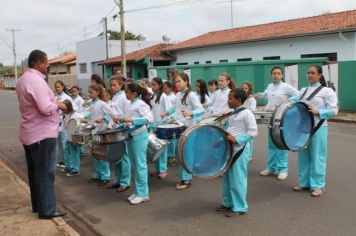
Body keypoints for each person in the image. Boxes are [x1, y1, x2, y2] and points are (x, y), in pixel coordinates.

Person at [16, 49, 66, 219]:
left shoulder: (23, 80)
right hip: (42, 135)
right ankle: (47, 210)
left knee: (35, 172)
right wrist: (59, 105)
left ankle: (39, 206)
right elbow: (45, 108)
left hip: (30, 132)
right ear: (38, 63)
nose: (47, 65)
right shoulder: (36, 81)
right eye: (46, 62)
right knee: (46, 172)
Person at [291, 65, 338, 197]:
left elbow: (334, 110)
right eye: (308, 73)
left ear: (319, 75)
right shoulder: (303, 90)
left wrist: (319, 112)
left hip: (319, 128)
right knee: (303, 156)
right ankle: (304, 182)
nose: (310, 75)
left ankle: (318, 186)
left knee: (318, 156)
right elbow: (296, 103)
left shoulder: (327, 91)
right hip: (304, 128)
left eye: (313, 73)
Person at [217, 88, 257, 217]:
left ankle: (240, 207)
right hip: (230, 150)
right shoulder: (232, 113)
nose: (228, 101)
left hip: (240, 150)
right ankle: (228, 203)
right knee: (227, 179)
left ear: (239, 100)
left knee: (238, 179)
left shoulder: (247, 113)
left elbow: (253, 131)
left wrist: (237, 140)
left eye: (230, 98)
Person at [162, 73, 204, 190]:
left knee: (187, 154)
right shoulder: (178, 94)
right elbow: (176, 109)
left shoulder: (191, 95)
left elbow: (200, 109)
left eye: (179, 81)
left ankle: (186, 179)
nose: (177, 83)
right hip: (180, 126)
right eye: (176, 82)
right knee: (180, 152)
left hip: (189, 127)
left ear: (186, 81)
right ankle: (184, 177)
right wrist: (167, 112)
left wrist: (191, 113)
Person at [256, 66, 299, 180]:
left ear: (282, 75)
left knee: (280, 143)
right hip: (270, 116)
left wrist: (290, 100)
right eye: (274, 73)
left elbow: (299, 94)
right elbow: (266, 93)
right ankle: (271, 168)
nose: (276, 75)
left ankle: (283, 169)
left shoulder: (286, 87)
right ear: (271, 75)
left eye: (278, 73)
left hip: (281, 117)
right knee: (271, 144)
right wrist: (258, 94)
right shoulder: (270, 86)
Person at [119, 82, 153, 205]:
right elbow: (129, 119)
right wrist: (122, 120)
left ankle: (143, 194)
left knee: (140, 166)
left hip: (139, 137)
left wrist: (132, 120)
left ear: (134, 93)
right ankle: (138, 191)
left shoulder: (141, 104)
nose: (125, 93)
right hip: (131, 136)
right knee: (134, 166)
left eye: (127, 91)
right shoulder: (131, 103)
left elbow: (148, 119)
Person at [81, 84, 111, 186]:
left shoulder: (102, 103)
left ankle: (105, 176)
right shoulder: (92, 103)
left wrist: (102, 118)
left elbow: (110, 114)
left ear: (97, 92)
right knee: (94, 154)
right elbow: (92, 114)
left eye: (91, 92)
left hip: (102, 131)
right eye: (89, 92)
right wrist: (85, 117)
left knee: (102, 154)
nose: (89, 94)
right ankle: (96, 175)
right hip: (94, 131)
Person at [108, 77, 131, 193]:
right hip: (113, 129)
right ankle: (117, 180)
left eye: (114, 85)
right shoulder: (114, 97)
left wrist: (120, 120)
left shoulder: (124, 98)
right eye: (111, 85)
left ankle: (125, 182)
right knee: (116, 156)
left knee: (124, 156)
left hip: (121, 129)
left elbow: (128, 114)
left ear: (121, 85)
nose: (112, 87)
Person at [150, 77, 171, 179]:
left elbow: (168, 111)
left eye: (154, 84)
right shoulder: (153, 96)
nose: (152, 86)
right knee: (155, 148)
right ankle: (157, 169)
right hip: (154, 125)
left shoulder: (164, 96)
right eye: (151, 84)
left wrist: (163, 122)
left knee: (162, 148)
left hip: (162, 125)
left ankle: (163, 170)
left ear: (159, 85)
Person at [54, 80, 75, 169]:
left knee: (64, 142)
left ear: (63, 87)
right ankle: (62, 160)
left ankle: (67, 162)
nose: (57, 89)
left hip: (64, 121)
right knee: (59, 142)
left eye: (59, 87)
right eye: (56, 87)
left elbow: (71, 108)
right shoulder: (55, 97)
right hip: (56, 122)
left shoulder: (67, 97)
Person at [62, 100, 83, 176]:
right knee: (67, 150)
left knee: (74, 152)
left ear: (68, 106)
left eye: (63, 106)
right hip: (68, 135)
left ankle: (75, 169)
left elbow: (83, 120)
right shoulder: (65, 114)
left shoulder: (76, 115)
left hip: (74, 136)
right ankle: (68, 166)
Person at [241, 81, 257, 161]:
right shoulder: (242, 98)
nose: (244, 90)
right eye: (243, 88)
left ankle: (249, 155)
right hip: (242, 120)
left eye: (246, 88)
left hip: (249, 120)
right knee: (243, 137)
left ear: (249, 89)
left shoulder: (251, 99)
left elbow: (252, 110)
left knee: (249, 138)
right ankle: (244, 152)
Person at [163, 80, 177, 165]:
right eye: (163, 88)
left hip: (172, 120)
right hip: (166, 119)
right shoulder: (165, 96)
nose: (164, 90)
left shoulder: (174, 97)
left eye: (166, 88)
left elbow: (175, 109)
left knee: (172, 138)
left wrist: (172, 117)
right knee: (166, 137)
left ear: (170, 88)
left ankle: (172, 155)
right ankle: (167, 154)